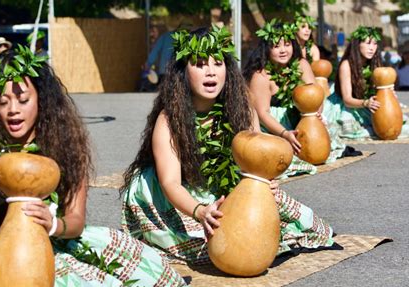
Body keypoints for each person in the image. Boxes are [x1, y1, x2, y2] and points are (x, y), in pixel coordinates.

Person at [0, 46, 206, 287]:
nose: (13, 110)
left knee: (73, 281)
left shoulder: (66, 149)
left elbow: (75, 221)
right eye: (2, 101)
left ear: (41, 99)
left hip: (56, 240)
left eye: (23, 99)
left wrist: (53, 224)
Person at [121, 26, 334, 267]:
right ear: (183, 72)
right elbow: (170, 182)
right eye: (200, 64)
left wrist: (264, 181)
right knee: (208, 241)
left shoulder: (241, 105)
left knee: (299, 222)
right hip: (176, 193)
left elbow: (255, 155)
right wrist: (200, 211)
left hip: (221, 185)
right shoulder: (169, 119)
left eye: (218, 64)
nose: (210, 72)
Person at [243, 20, 348, 178]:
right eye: (276, 46)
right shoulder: (261, 76)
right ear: (267, 49)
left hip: (301, 116)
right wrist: (285, 133)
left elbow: (315, 94)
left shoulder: (301, 64)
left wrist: (316, 112)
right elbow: (263, 113)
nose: (283, 50)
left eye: (287, 44)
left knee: (327, 141)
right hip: (273, 124)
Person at [323, 26, 409, 139]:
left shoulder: (375, 64)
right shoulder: (346, 65)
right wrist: (365, 103)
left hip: (367, 104)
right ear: (357, 44)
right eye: (368, 43)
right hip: (348, 106)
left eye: (375, 44)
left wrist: (388, 93)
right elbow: (347, 100)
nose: (372, 48)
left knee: (400, 125)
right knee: (361, 129)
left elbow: (379, 91)